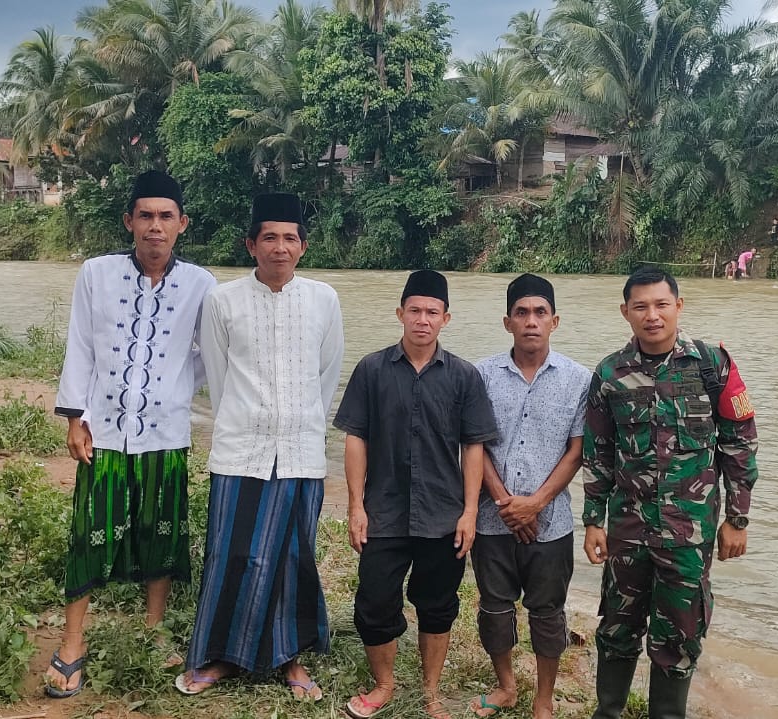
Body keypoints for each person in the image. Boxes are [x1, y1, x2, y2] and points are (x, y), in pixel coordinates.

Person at [46, 170, 218, 698]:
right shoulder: (96, 274)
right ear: (129, 221)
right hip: (103, 429)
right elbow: (80, 344)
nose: (155, 226)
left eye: (166, 216)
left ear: (183, 224)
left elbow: (214, 352)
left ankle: (154, 629)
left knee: (161, 531)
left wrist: (179, 384)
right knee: (88, 530)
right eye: (145, 215)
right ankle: (72, 641)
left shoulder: (202, 285)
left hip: (166, 432)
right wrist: (75, 418)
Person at [176, 193, 344, 701]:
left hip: (300, 452)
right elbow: (219, 379)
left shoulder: (324, 299)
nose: (280, 247)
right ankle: (221, 656)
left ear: (303, 246)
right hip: (240, 449)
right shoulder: (222, 301)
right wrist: (249, 423)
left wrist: (300, 426)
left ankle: (290, 658)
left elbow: (327, 375)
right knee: (230, 553)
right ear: (251, 245)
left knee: (294, 555)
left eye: (290, 238)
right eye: (269, 237)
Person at [582, 267, 761, 719]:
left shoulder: (711, 365)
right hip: (628, 531)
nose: (652, 315)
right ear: (625, 312)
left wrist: (737, 519)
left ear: (678, 306)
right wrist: (592, 520)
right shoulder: (610, 374)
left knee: (679, 637)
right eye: (640, 306)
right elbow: (599, 452)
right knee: (617, 630)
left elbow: (740, 442)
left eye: (661, 304)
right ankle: (608, 712)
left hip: (688, 534)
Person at [333, 270, 500, 719]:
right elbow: (356, 439)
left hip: (443, 516)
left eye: (432, 312)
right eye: (415, 311)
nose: (422, 320)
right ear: (400, 314)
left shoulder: (463, 376)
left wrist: (470, 512)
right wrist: (355, 506)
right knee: (374, 602)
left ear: (446, 318)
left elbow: (474, 447)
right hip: (384, 512)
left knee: (438, 606)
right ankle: (384, 685)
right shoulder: (372, 369)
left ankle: (430, 692)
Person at [469, 274, 591, 719]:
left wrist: (536, 502)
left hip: (550, 522)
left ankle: (543, 698)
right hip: (491, 518)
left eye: (540, 313)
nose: (531, 321)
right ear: (507, 322)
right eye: (521, 313)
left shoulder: (580, 379)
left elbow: (577, 450)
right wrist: (506, 502)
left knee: (547, 612)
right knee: (494, 608)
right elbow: (474, 444)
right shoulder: (480, 376)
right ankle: (506, 686)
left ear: (555, 321)